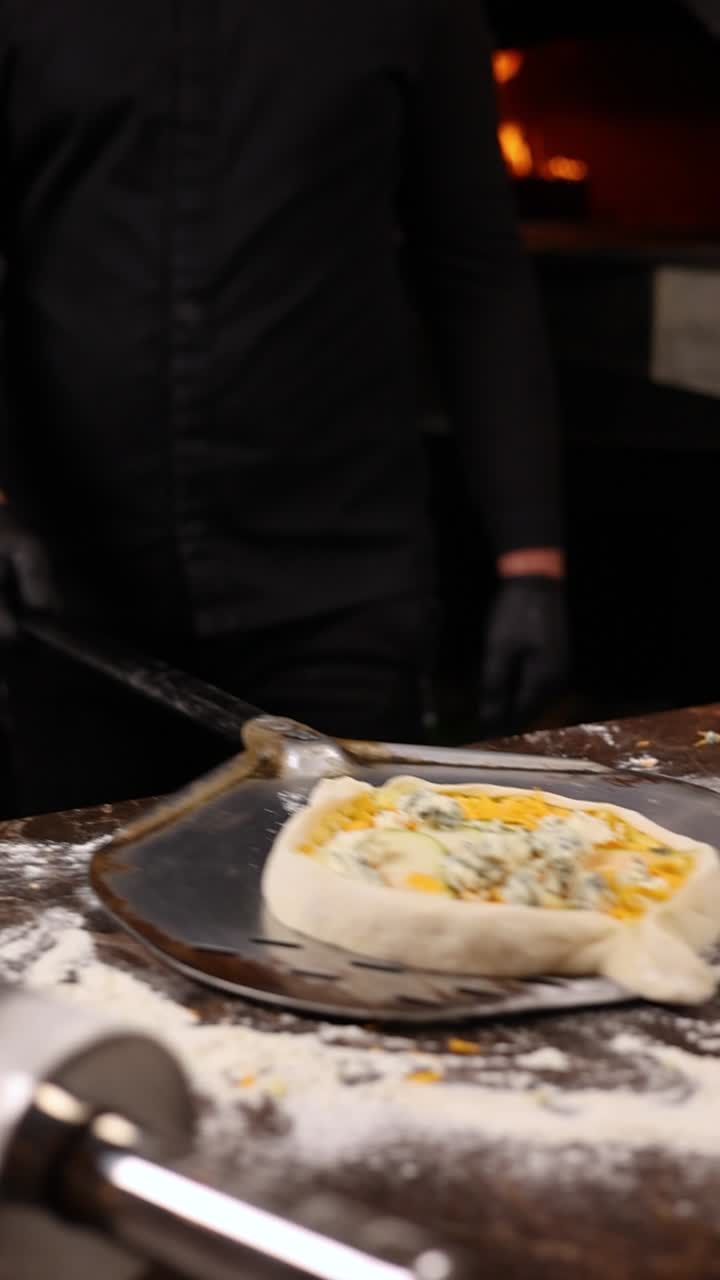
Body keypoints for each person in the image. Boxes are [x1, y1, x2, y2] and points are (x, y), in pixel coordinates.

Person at [0, 0, 568, 815]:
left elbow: (475, 264)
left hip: (339, 586)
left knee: (349, 908)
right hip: (77, 601)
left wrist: (531, 561)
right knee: (85, 927)